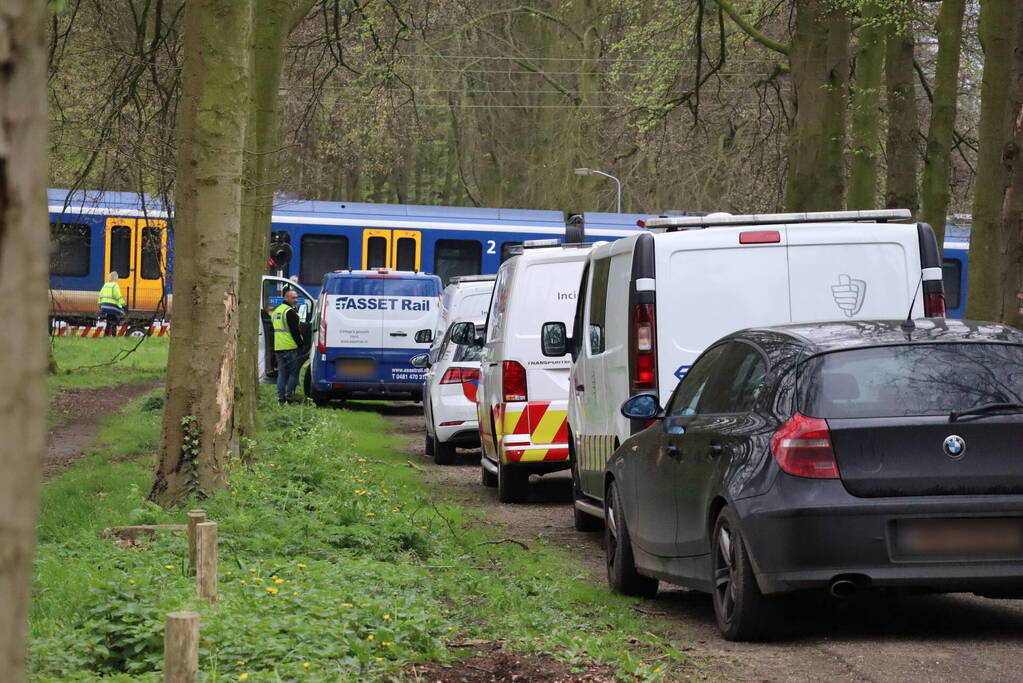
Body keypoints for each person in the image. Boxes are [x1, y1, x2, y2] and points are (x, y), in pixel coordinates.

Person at [271, 289, 306, 404]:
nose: (295, 300)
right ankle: (290, 397)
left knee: (282, 374)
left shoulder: (276, 311)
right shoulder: (290, 312)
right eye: (293, 298)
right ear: (286, 298)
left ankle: (281, 399)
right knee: (294, 373)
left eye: (296, 297)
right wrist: (302, 345)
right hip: (290, 347)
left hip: (278, 347)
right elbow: (295, 332)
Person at [98, 271, 127, 336]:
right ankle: (114, 335)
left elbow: (100, 295)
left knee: (109, 320)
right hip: (112, 307)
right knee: (119, 314)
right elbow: (118, 297)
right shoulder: (115, 285)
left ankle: (106, 335)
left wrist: (100, 305)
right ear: (116, 278)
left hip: (104, 306)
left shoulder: (105, 285)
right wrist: (124, 305)